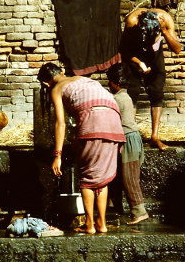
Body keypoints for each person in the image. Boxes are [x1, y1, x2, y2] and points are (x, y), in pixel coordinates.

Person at [37, 62, 125, 234]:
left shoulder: (56, 89)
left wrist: (58, 155)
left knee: (87, 179)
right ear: (62, 71)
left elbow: (60, 123)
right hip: (114, 123)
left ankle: (90, 224)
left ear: (46, 83)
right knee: (102, 177)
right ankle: (102, 223)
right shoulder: (85, 79)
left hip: (94, 124)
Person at [119, 8, 181, 151]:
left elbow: (177, 49)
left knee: (157, 92)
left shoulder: (165, 20)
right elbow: (123, 49)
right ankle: (130, 135)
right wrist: (139, 63)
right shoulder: (132, 22)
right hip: (134, 56)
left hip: (155, 57)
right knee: (132, 93)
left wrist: (165, 32)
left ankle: (154, 136)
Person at [107, 63, 149, 225]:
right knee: (123, 176)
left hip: (128, 140)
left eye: (110, 81)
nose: (108, 85)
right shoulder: (126, 96)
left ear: (116, 82)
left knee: (129, 178)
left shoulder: (117, 99)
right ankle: (115, 208)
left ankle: (139, 212)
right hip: (133, 138)